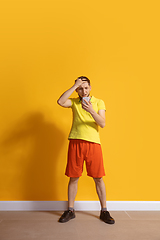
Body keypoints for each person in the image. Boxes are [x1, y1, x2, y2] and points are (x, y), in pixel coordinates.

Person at [57, 76, 115, 224]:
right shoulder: (75, 102)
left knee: (98, 177)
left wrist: (91, 111)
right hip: (75, 142)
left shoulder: (99, 102)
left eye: (86, 87)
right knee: (73, 177)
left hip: (93, 143)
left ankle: (104, 211)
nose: (84, 90)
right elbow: (60, 101)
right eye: (80, 88)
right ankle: (70, 210)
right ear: (77, 90)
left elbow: (102, 123)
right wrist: (74, 85)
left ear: (90, 88)